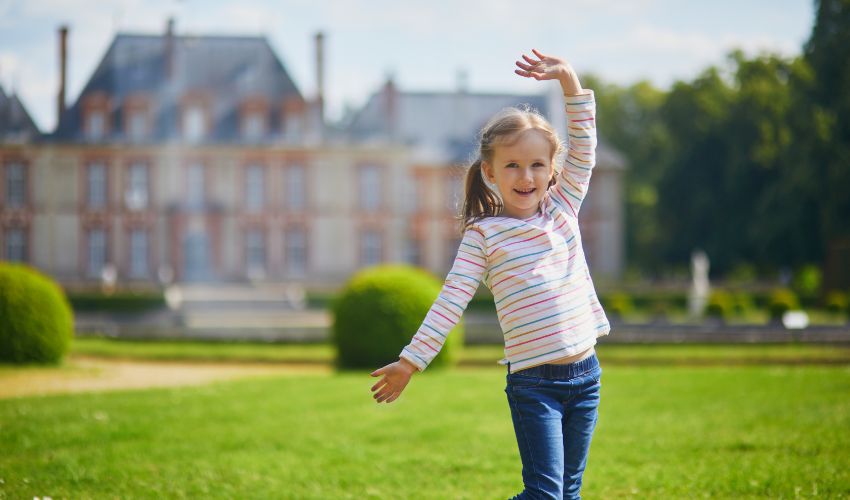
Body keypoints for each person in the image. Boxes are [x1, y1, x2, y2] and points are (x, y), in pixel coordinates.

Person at [370, 49, 609, 499]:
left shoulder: (562, 209)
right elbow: (450, 301)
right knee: (545, 494)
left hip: (587, 376)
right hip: (534, 385)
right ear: (490, 172)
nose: (526, 175)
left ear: (553, 171)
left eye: (538, 164)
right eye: (513, 165)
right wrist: (410, 361)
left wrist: (570, 83)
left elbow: (586, 147)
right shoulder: (485, 235)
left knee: (568, 494)